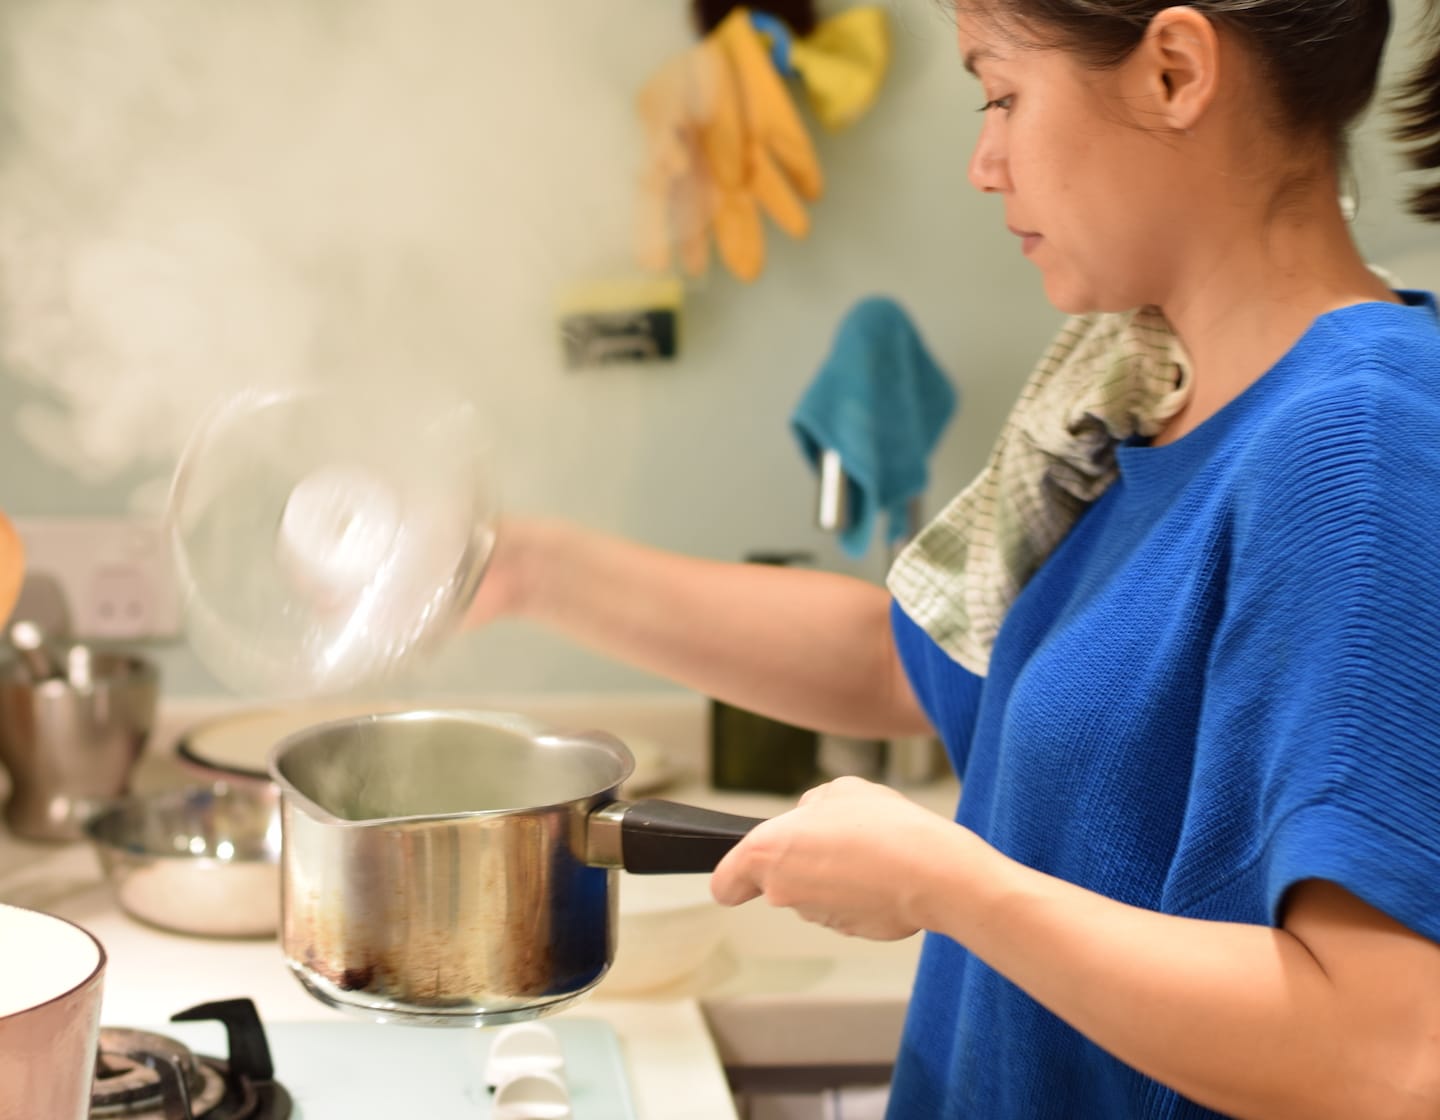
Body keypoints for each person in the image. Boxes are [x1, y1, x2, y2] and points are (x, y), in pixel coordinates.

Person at [466, 1, 1440, 1115]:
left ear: (1174, 71)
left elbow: (1387, 1052)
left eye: (1002, 94)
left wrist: (947, 884)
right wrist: (518, 566)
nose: (984, 163)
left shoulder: (1356, 441)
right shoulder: (1134, 399)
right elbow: (900, 666)